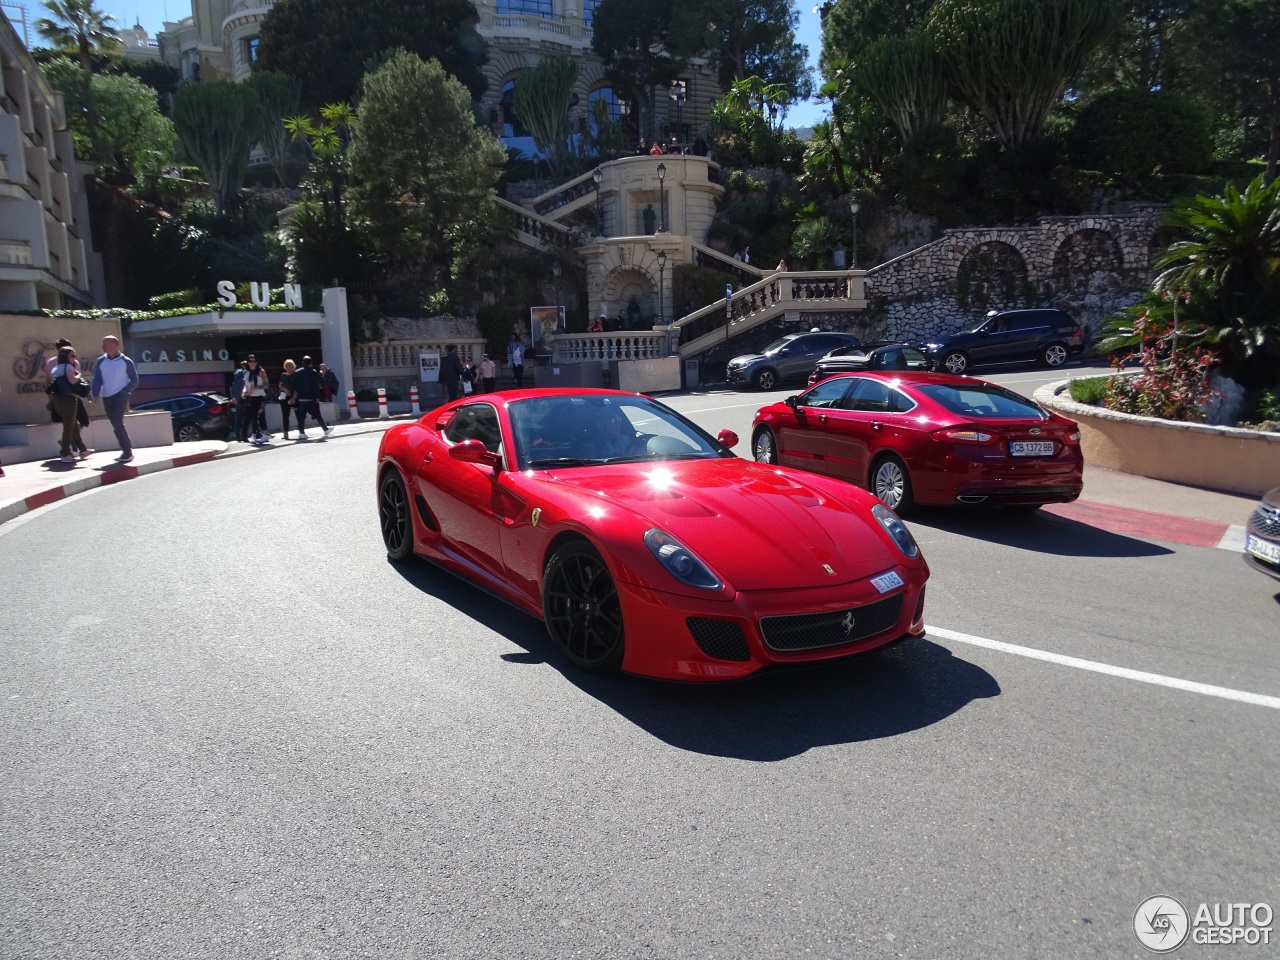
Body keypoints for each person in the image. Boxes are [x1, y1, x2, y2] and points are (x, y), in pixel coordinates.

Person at [90, 335, 138, 464]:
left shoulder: (126, 361)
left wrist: (125, 391)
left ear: (114, 345)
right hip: (107, 396)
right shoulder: (101, 361)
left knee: (117, 421)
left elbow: (134, 380)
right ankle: (126, 451)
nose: (102, 346)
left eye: (105, 344)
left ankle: (127, 452)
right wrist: (95, 393)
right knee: (115, 424)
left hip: (120, 395)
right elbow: (97, 379)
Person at [49, 347, 86, 464]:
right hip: (68, 399)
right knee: (69, 427)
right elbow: (72, 381)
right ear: (66, 356)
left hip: (57, 400)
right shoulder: (68, 367)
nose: (74, 359)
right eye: (72, 356)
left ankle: (83, 449)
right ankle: (64, 453)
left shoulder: (55, 369)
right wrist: (79, 375)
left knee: (74, 424)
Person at [292, 355, 333, 439]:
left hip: (301, 398)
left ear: (302, 362)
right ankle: (325, 429)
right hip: (311, 398)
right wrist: (317, 397)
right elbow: (315, 386)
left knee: (301, 416)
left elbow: (294, 385)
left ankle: (301, 433)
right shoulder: (313, 372)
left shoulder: (297, 372)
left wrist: (296, 395)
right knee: (317, 414)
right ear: (311, 363)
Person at [240, 355, 271, 444]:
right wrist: (244, 392)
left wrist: (255, 388)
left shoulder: (261, 371)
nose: (252, 363)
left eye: (254, 362)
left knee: (256, 415)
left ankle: (256, 434)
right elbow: (246, 385)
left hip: (259, 395)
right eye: (250, 362)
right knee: (251, 416)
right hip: (250, 396)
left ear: (257, 362)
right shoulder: (246, 372)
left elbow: (266, 385)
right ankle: (254, 435)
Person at [277, 358, 298, 441]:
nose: (288, 366)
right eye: (287, 365)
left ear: (293, 366)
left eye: (290, 365)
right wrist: (285, 390)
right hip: (284, 395)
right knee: (285, 414)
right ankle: (285, 432)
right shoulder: (283, 375)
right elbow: (280, 385)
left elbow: (298, 386)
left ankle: (301, 431)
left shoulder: (296, 375)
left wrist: (294, 397)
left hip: (294, 395)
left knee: (298, 413)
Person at [230, 361, 248, 441]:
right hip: (244, 398)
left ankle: (237, 435)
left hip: (237, 399)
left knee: (239, 417)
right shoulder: (245, 375)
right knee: (247, 417)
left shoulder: (236, 376)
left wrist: (235, 397)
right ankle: (244, 435)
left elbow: (233, 388)